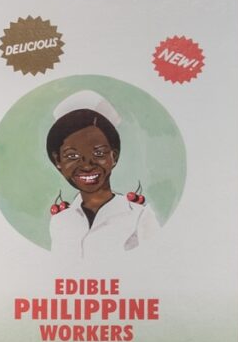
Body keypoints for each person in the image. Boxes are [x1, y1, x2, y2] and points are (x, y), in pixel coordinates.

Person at [43, 91, 158, 261]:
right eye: (72, 156)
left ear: (114, 156)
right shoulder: (60, 221)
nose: (87, 165)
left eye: (98, 153)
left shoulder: (139, 217)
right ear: (58, 162)